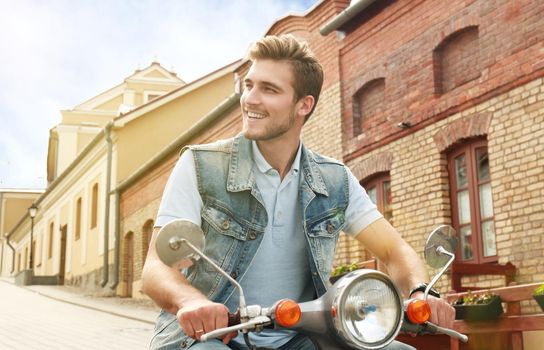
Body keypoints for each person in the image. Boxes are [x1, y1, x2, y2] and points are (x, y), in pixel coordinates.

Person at [142, 34, 455, 350]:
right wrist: (191, 302)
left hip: (302, 339)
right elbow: (156, 268)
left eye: (269, 89)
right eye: (249, 85)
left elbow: (393, 250)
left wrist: (421, 292)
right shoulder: (201, 165)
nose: (250, 99)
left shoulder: (334, 180)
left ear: (304, 105)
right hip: (208, 337)